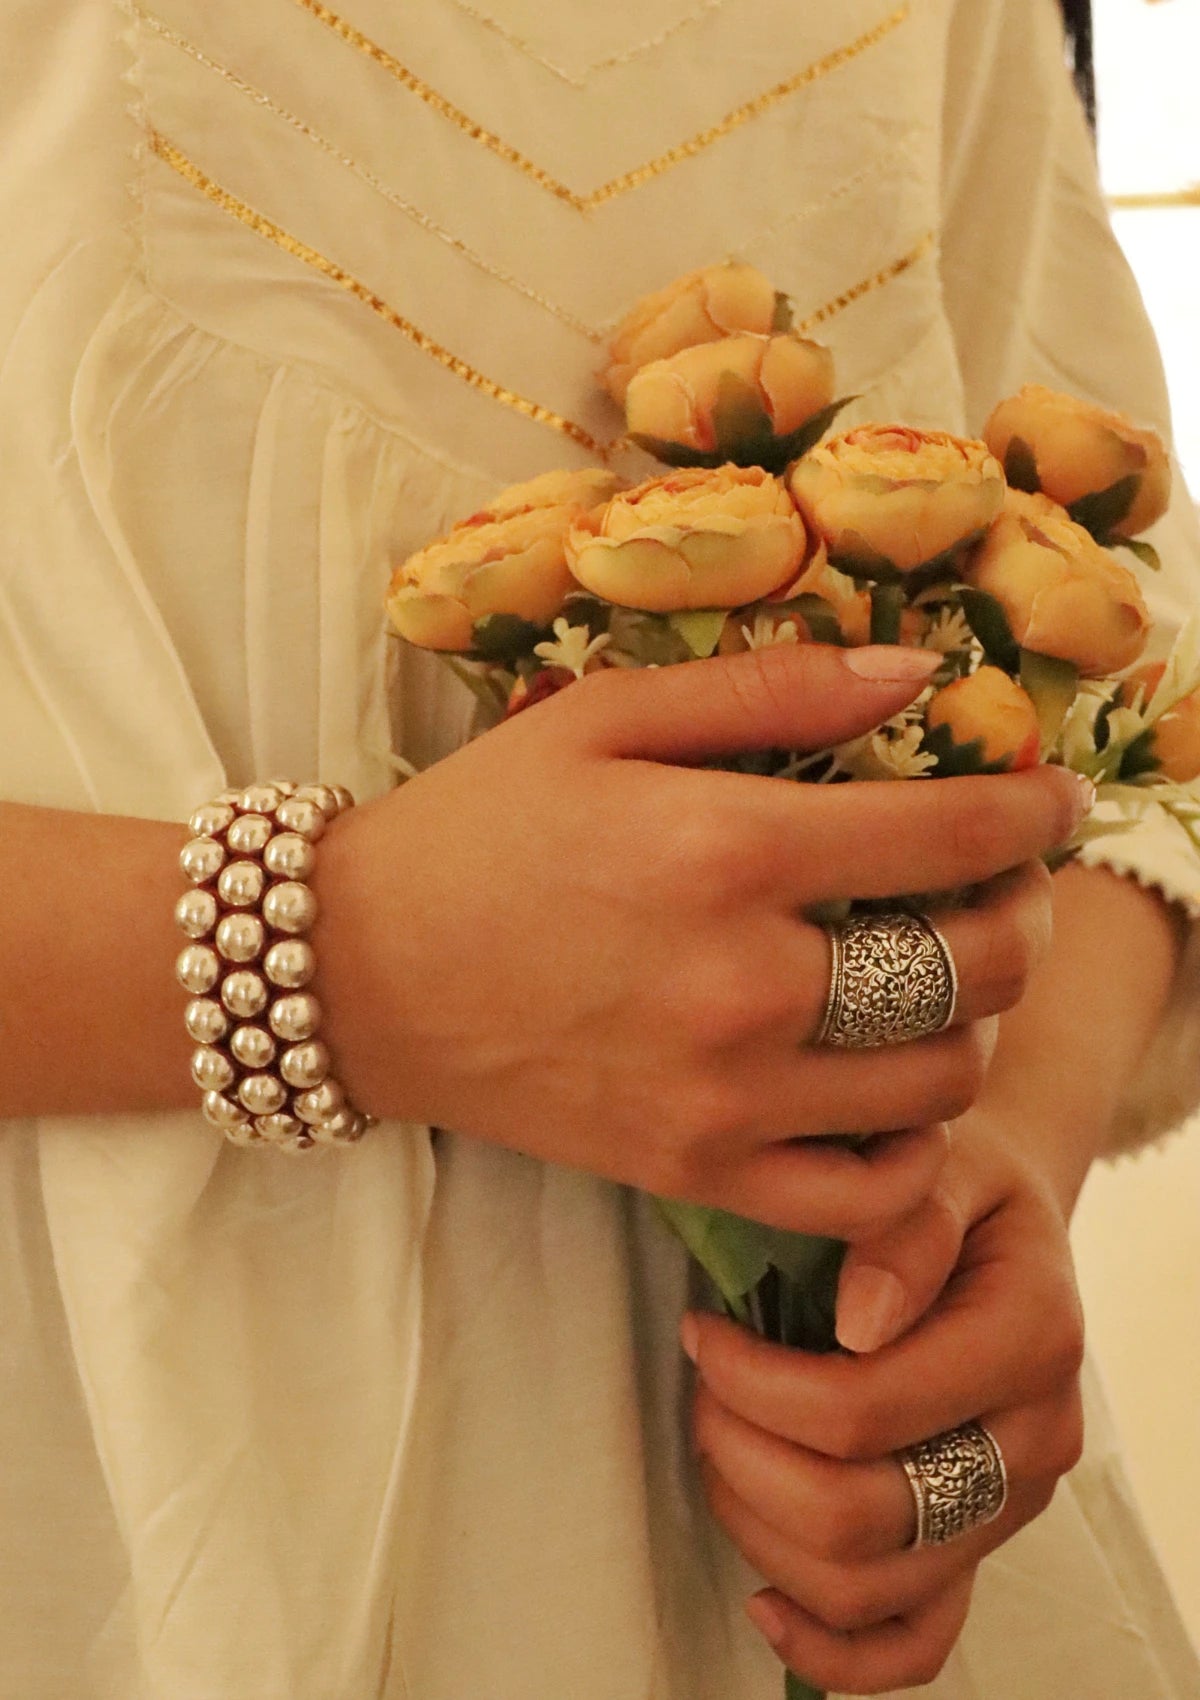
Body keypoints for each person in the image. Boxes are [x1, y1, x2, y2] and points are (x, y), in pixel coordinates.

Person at [1, 0, 1198, 1695]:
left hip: (800, 1528)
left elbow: (1136, 651)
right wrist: (347, 960)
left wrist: (1001, 1174)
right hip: (97, 1507)